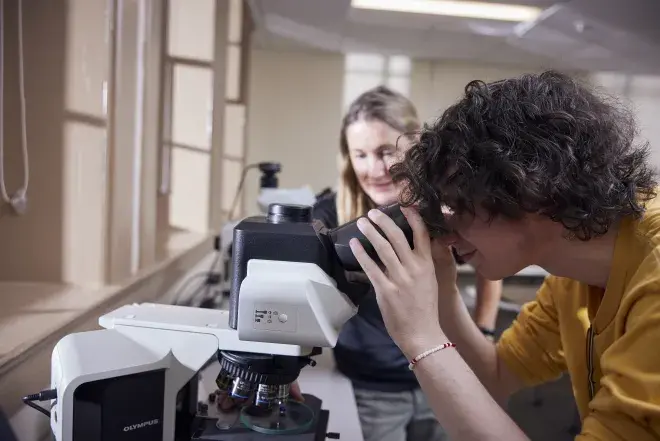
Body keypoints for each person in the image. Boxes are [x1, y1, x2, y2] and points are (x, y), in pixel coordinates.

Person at [349, 71, 660, 441]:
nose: (447, 230)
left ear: (532, 190)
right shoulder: (570, 271)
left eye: (458, 205)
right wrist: (442, 285)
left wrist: (420, 338)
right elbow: (495, 376)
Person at [312, 85, 504, 441]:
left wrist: (485, 332)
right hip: (373, 387)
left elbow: (490, 265)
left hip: (445, 373)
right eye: (361, 155)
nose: (376, 168)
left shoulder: (443, 207)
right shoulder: (327, 217)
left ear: (416, 145)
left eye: (387, 151)